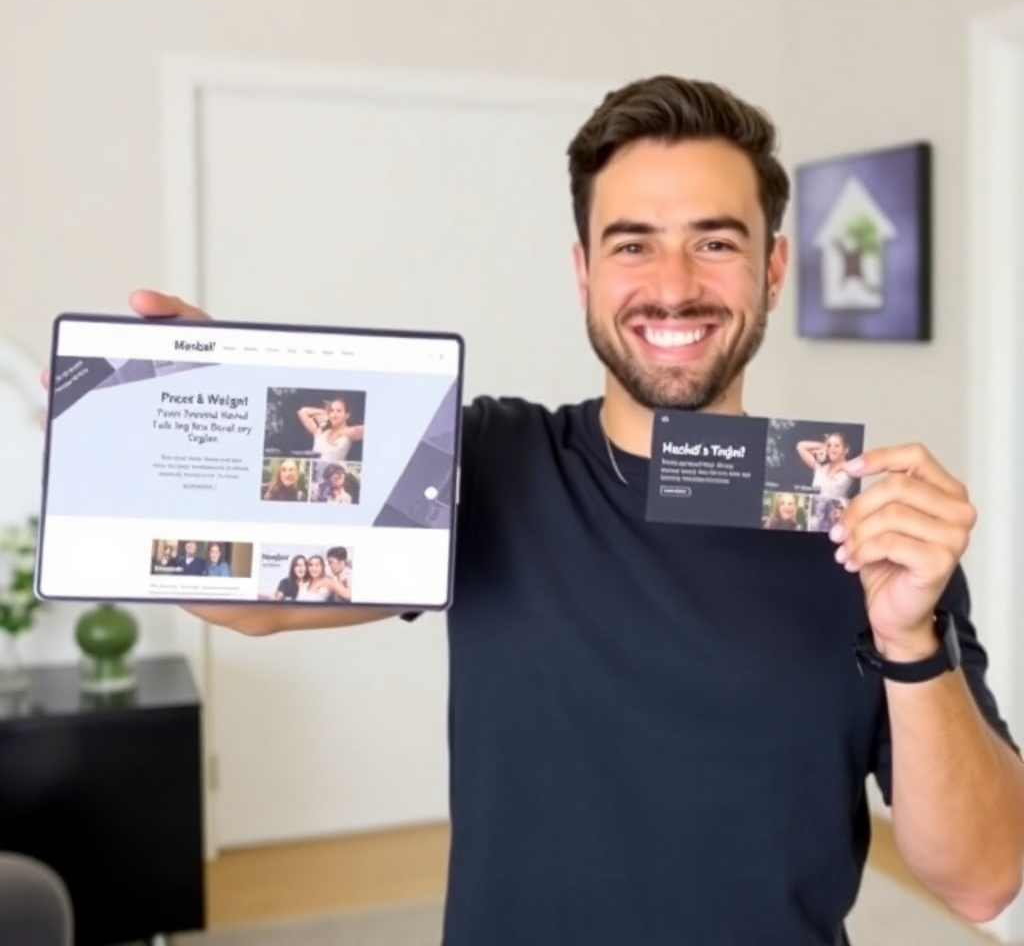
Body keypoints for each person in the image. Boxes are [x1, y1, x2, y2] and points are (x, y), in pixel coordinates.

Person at [44, 76, 1024, 945]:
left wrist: (911, 638)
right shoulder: (485, 461)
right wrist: (195, 433)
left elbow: (983, 879)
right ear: (583, 273)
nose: (672, 285)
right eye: (631, 243)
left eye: (714, 243)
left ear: (771, 270)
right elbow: (252, 603)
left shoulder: (870, 529)